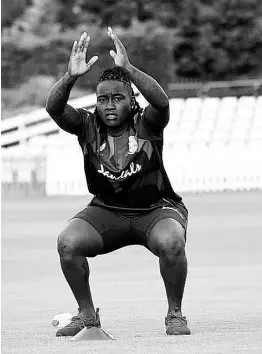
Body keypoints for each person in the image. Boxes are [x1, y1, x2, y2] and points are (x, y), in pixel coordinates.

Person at [46, 27, 190, 337]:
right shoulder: (86, 124)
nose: (109, 105)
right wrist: (70, 77)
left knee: (172, 242)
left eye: (117, 98)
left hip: (155, 209)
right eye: (102, 99)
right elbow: (54, 108)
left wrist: (129, 69)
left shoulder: (146, 123)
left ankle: (175, 313)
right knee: (67, 243)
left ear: (131, 101)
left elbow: (162, 103)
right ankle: (86, 315)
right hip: (106, 211)